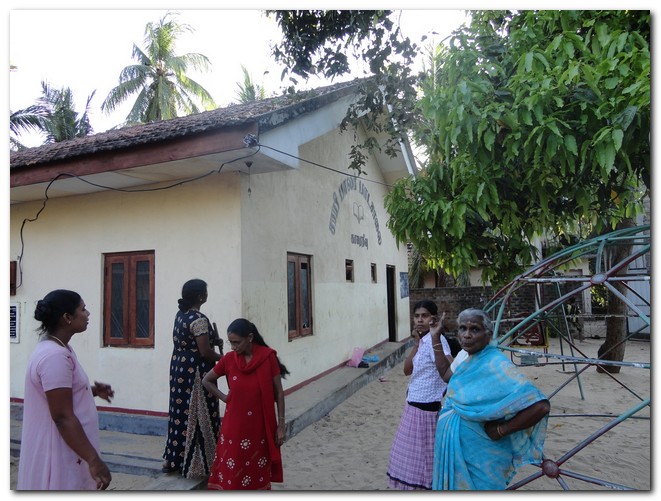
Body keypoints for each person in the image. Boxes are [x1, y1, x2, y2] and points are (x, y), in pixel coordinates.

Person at [429, 308, 550, 490]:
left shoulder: (496, 364)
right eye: (463, 328)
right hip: (455, 447)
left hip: (482, 456)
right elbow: (447, 375)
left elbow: (540, 406)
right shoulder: (466, 356)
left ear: (488, 335)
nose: (467, 335)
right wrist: (435, 338)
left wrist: (502, 429)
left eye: (475, 329)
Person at [17, 289, 114, 490]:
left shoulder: (60, 349)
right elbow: (62, 416)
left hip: (68, 449)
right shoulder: (54, 357)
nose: (88, 314)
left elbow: (60, 394)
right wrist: (93, 460)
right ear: (67, 318)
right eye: (83, 309)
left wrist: (91, 391)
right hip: (59, 452)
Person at [203, 318, 289, 490]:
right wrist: (224, 397)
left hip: (260, 427)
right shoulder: (229, 359)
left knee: (256, 467)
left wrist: (281, 425)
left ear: (249, 337)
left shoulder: (268, 357)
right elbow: (207, 380)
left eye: (237, 342)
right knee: (233, 467)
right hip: (233, 427)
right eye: (230, 342)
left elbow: (279, 393)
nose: (233, 347)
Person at [386, 300, 453, 490]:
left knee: (423, 460)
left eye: (424, 316)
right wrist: (416, 343)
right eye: (416, 316)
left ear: (434, 318)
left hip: (426, 410)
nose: (420, 320)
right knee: (409, 456)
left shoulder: (436, 341)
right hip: (413, 406)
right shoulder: (423, 342)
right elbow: (407, 370)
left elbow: (451, 369)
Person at [162, 279, 222, 478]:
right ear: (200, 296)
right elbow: (204, 351)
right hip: (196, 371)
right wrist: (224, 360)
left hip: (179, 368)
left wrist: (213, 340)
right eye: (205, 292)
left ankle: (172, 459)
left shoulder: (181, 315)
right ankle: (199, 462)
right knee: (198, 412)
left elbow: (191, 340)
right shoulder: (199, 319)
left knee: (179, 412)